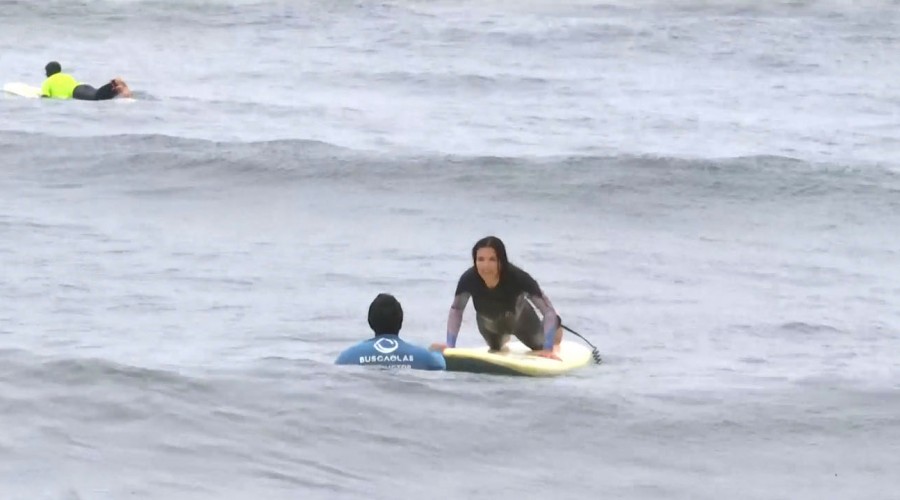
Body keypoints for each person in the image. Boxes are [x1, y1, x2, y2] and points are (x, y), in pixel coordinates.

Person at [430, 236, 564, 359]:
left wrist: (548, 349)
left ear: (501, 260)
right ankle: (504, 338)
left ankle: (556, 329)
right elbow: (457, 310)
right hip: (489, 326)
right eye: (480, 259)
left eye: (492, 259)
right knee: (495, 348)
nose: (485, 266)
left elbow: (547, 311)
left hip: (522, 322)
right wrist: (450, 345)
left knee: (539, 345)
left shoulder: (518, 278)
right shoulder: (469, 279)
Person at [335, 293, 446, 370]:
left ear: (370, 322)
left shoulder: (346, 358)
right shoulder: (425, 357)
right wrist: (437, 352)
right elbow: (441, 366)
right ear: (401, 321)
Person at [40, 61, 132, 100]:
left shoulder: (47, 82)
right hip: (83, 87)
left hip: (76, 92)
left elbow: (45, 98)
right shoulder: (67, 76)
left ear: (48, 72)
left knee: (96, 97)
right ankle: (116, 88)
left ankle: (115, 83)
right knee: (98, 95)